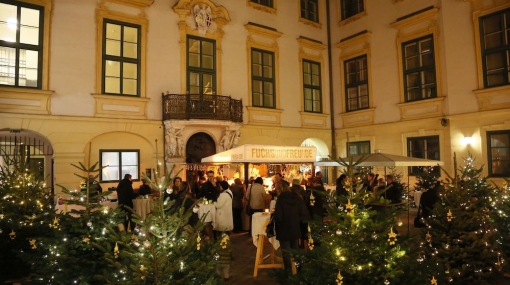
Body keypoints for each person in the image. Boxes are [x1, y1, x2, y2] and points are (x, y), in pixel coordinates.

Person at [274, 182, 310, 275]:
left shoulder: (281, 199)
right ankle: (300, 269)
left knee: (286, 252)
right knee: (295, 249)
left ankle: (288, 272)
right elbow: (304, 214)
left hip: (283, 228)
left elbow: (279, 217)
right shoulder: (297, 197)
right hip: (295, 227)